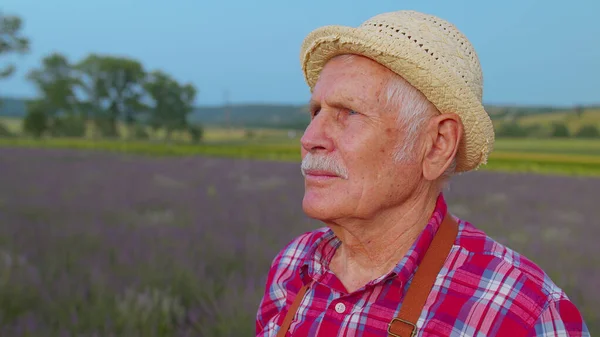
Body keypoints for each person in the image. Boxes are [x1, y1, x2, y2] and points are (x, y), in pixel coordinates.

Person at [255, 10, 590, 337]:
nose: (309, 138)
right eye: (316, 112)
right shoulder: (294, 265)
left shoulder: (522, 314)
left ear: (437, 146)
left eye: (349, 112)